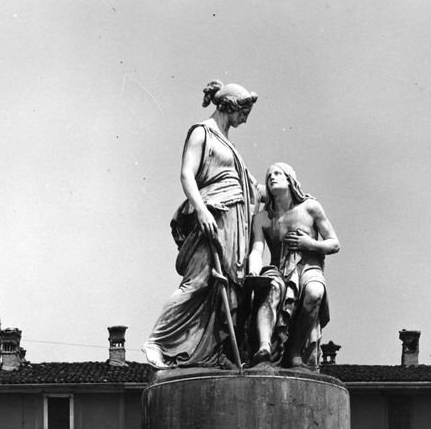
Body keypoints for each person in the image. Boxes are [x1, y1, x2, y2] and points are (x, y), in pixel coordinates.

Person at [143, 81, 262, 369]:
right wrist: (202, 211)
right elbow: (187, 175)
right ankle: (157, 341)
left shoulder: (228, 142)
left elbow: (249, 186)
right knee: (197, 283)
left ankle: (213, 351)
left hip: (234, 223)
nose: (245, 118)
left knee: (227, 288)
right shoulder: (202, 132)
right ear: (229, 106)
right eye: (244, 111)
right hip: (212, 216)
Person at [246, 162, 339, 370]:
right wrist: (253, 271)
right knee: (270, 286)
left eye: (278, 173)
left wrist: (310, 244)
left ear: (290, 179)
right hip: (278, 268)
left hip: (308, 266)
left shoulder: (310, 207)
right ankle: (264, 349)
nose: (272, 177)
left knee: (315, 292)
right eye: (269, 175)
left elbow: (334, 243)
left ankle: (295, 351)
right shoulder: (262, 217)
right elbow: (257, 249)